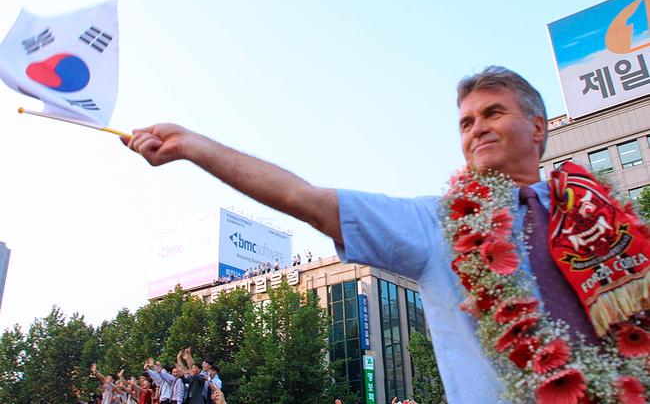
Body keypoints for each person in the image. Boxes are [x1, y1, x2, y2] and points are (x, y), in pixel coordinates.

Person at [124, 66, 646, 403]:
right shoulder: (438, 223)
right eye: (465, 122)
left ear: (537, 127)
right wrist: (195, 146)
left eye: (493, 113)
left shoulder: (604, 219)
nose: (476, 129)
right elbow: (304, 198)